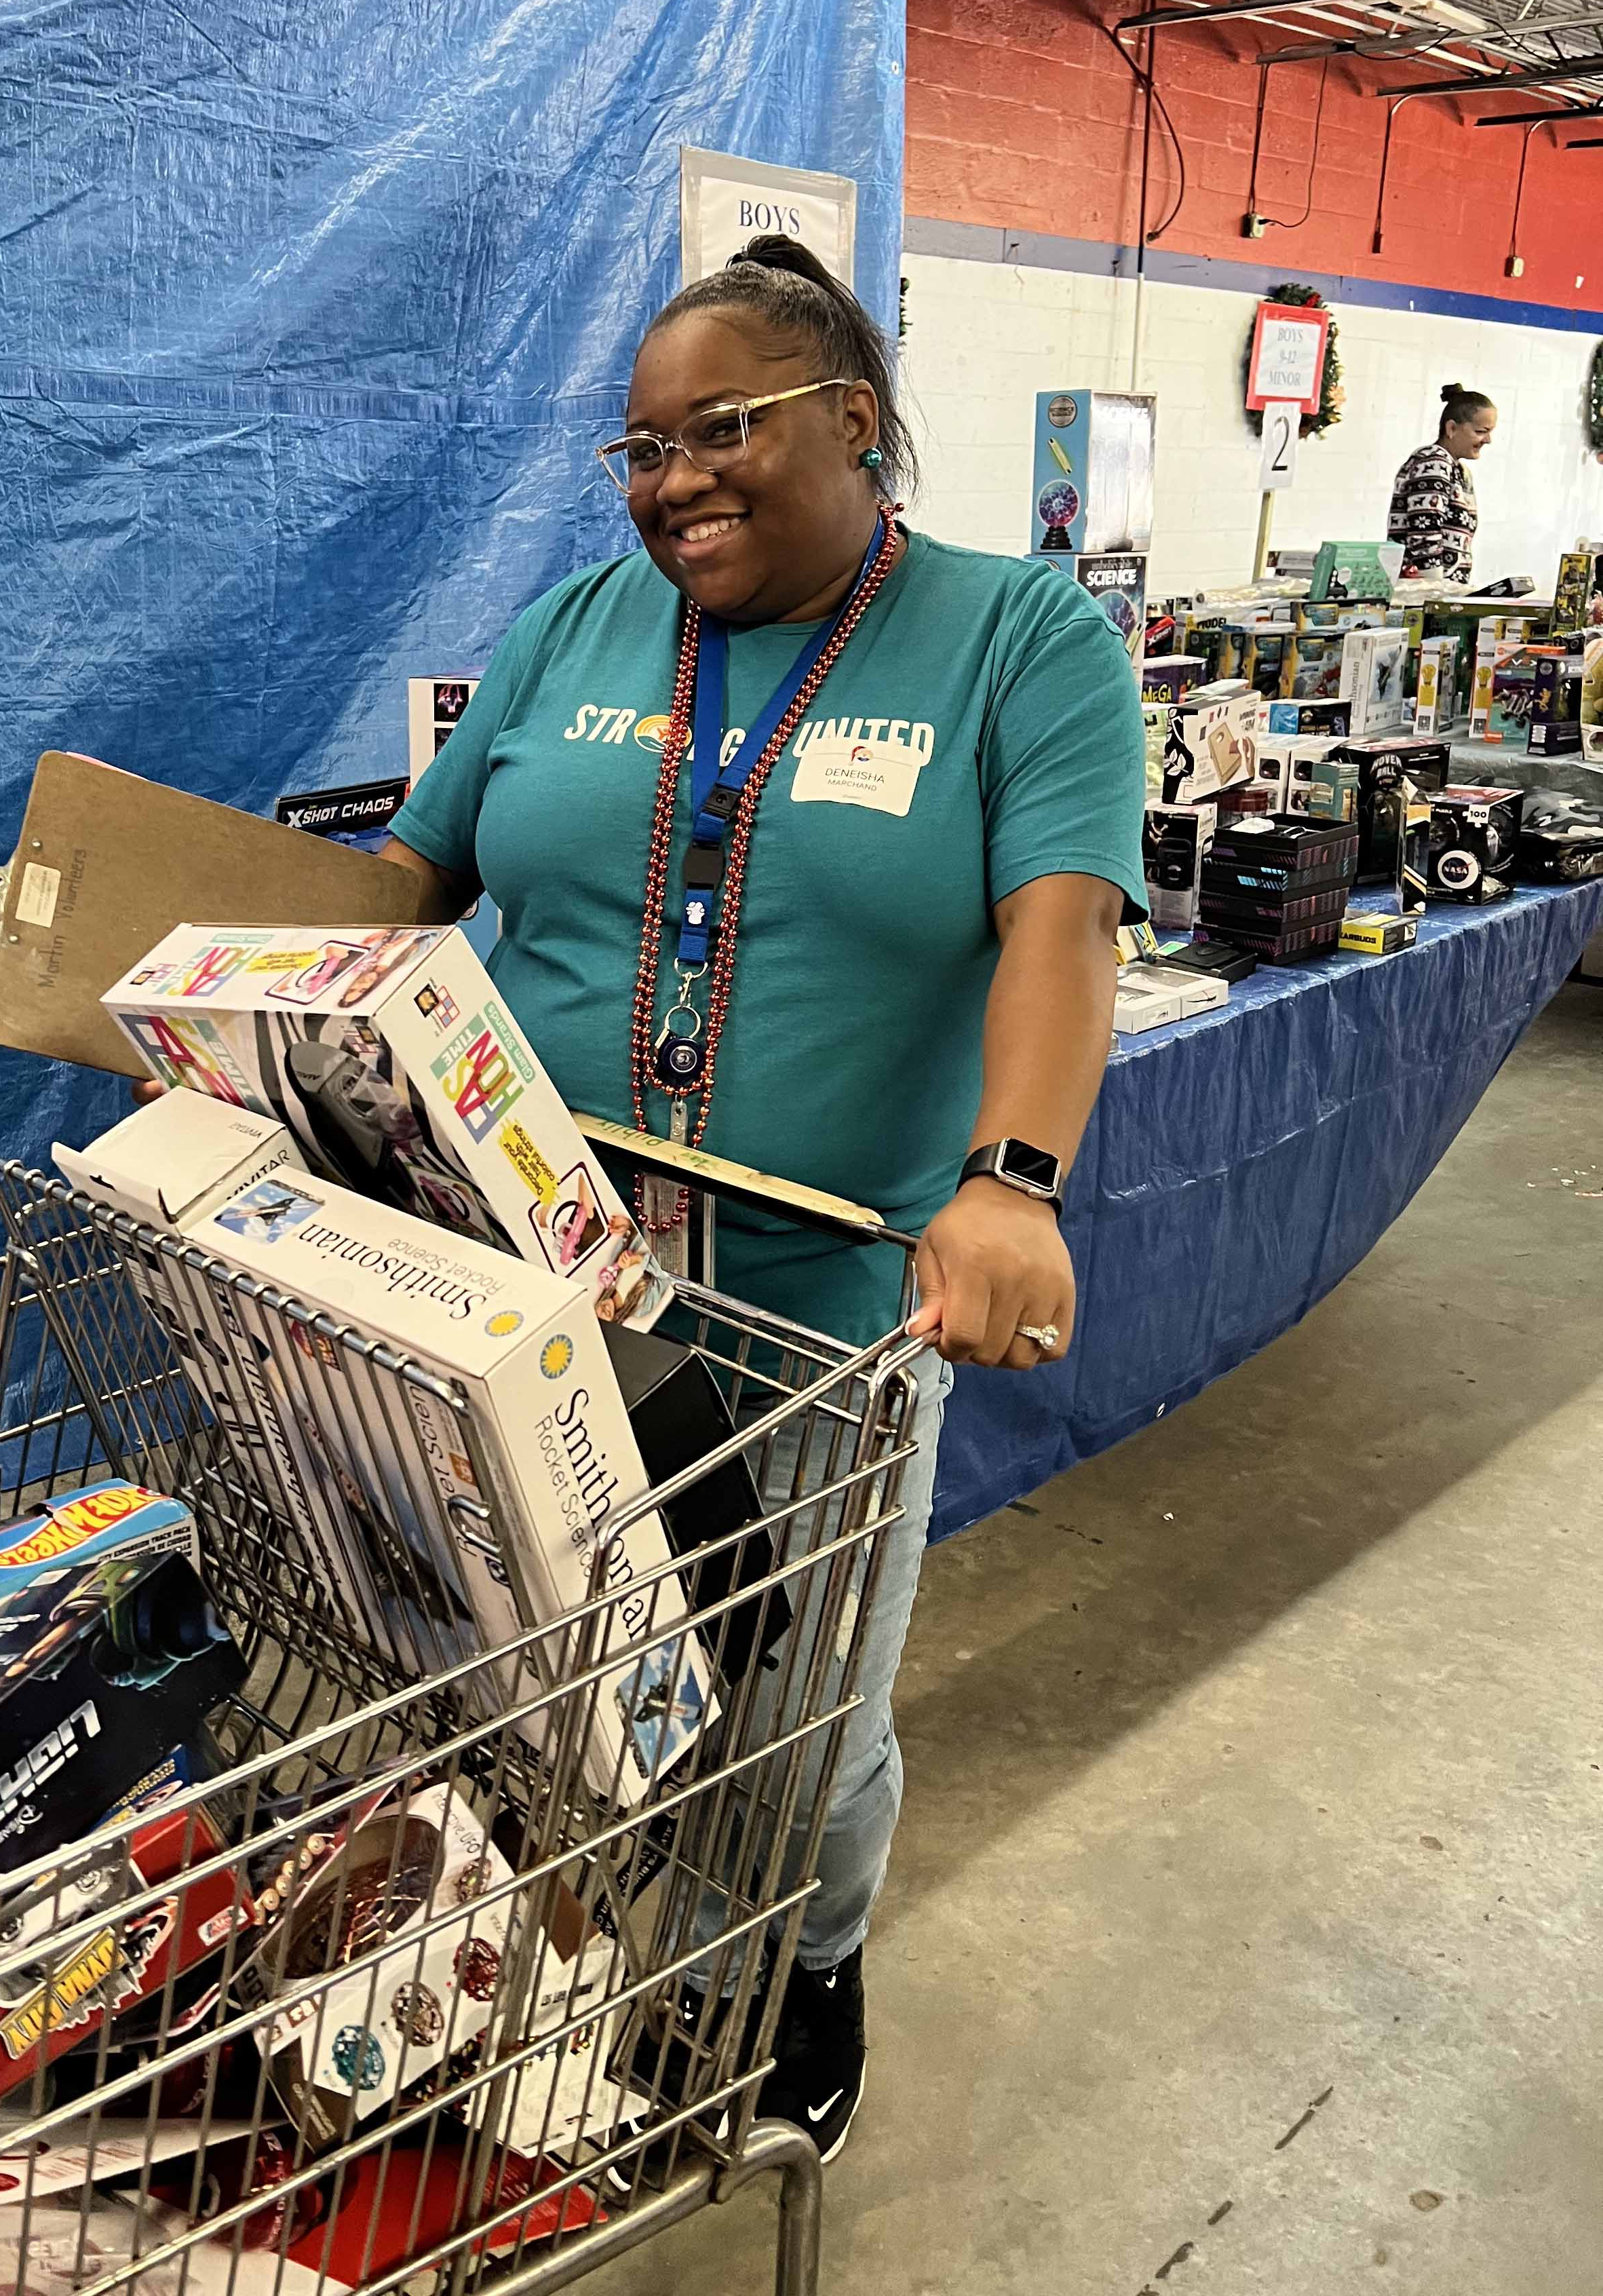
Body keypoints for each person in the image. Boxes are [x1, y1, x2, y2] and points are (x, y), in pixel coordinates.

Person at [381, 234, 1146, 2161]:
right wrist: (201, 994)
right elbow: (405, 889)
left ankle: (792, 1970)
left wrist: (1013, 1182)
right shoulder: (573, 633)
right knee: (521, 1656)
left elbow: (1060, 927)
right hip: (533, 1278)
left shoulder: (1016, 638)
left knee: (787, 1718)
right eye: (640, 448)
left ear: (855, 426)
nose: (671, 482)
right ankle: (521, 1952)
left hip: (813, 1309)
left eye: (720, 431)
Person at [1387, 383, 1494, 584]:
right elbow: (1424, 532)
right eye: (1481, 431)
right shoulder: (1434, 461)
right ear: (1452, 428)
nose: (1488, 440)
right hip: (1424, 594)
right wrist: (1435, 589)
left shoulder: (1459, 470)